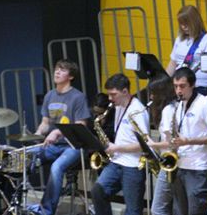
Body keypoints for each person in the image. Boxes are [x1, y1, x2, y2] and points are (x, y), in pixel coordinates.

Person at [29, 59, 92, 215]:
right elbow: (45, 123)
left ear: (70, 76)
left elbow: (80, 125)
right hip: (53, 146)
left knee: (56, 167)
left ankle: (46, 211)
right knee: (22, 159)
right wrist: (35, 136)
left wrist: (57, 132)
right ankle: (13, 201)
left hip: (73, 146)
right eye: (57, 69)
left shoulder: (78, 97)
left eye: (62, 70)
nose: (57, 72)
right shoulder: (50, 95)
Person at [156, 67, 207, 215]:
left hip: (198, 168)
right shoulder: (177, 105)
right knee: (179, 211)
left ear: (193, 85)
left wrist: (188, 141)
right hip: (180, 165)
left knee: (196, 211)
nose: (178, 90)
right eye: (176, 86)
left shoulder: (204, 104)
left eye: (182, 86)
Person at [91, 74, 149, 215]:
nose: (110, 98)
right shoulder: (117, 107)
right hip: (116, 162)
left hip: (133, 166)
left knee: (133, 210)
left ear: (125, 91)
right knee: (98, 190)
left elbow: (144, 144)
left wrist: (116, 147)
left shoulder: (137, 111)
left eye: (113, 94)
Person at [146, 75, 184, 215]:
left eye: (153, 93)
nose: (150, 97)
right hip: (175, 164)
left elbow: (170, 143)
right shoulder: (174, 106)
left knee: (158, 209)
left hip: (170, 165)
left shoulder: (168, 110)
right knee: (176, 208)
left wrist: (152, 144)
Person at [166, 5, 207, 95]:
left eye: (186, 23)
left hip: (200, 87)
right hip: (179, 86)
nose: (183, 27)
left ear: (195, 22)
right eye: (181, 24)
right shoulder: (179, 39)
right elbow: (173, 63)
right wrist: (165, 82)